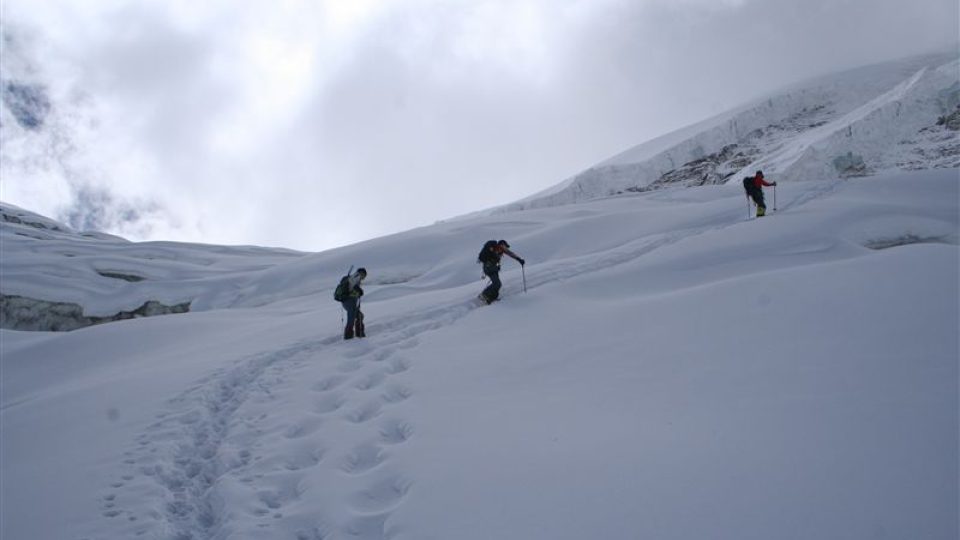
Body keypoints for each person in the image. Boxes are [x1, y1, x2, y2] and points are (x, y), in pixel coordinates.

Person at [477, 240, 525, 304]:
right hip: (489, 268)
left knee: (498, 284)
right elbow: (489, 255)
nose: (505, 248)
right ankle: (483, 295)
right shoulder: (493, 247)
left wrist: (519, 259)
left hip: (493, 268)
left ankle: (491, 298)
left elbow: (510, 253)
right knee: (497, 283)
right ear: (502, 244)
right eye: (505, 246)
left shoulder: (501, 250)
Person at [340, 267, 367, 339]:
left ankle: (359, 334)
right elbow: (352, 283)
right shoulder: (356, 276)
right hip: (349, 301)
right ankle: (349, 336)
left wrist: (358, 292)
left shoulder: (354, 276)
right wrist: (359, 290)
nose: (363, 278)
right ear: (362, 273)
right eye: (364, 276)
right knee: (351, 318)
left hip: (348, 302)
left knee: (359, 316)